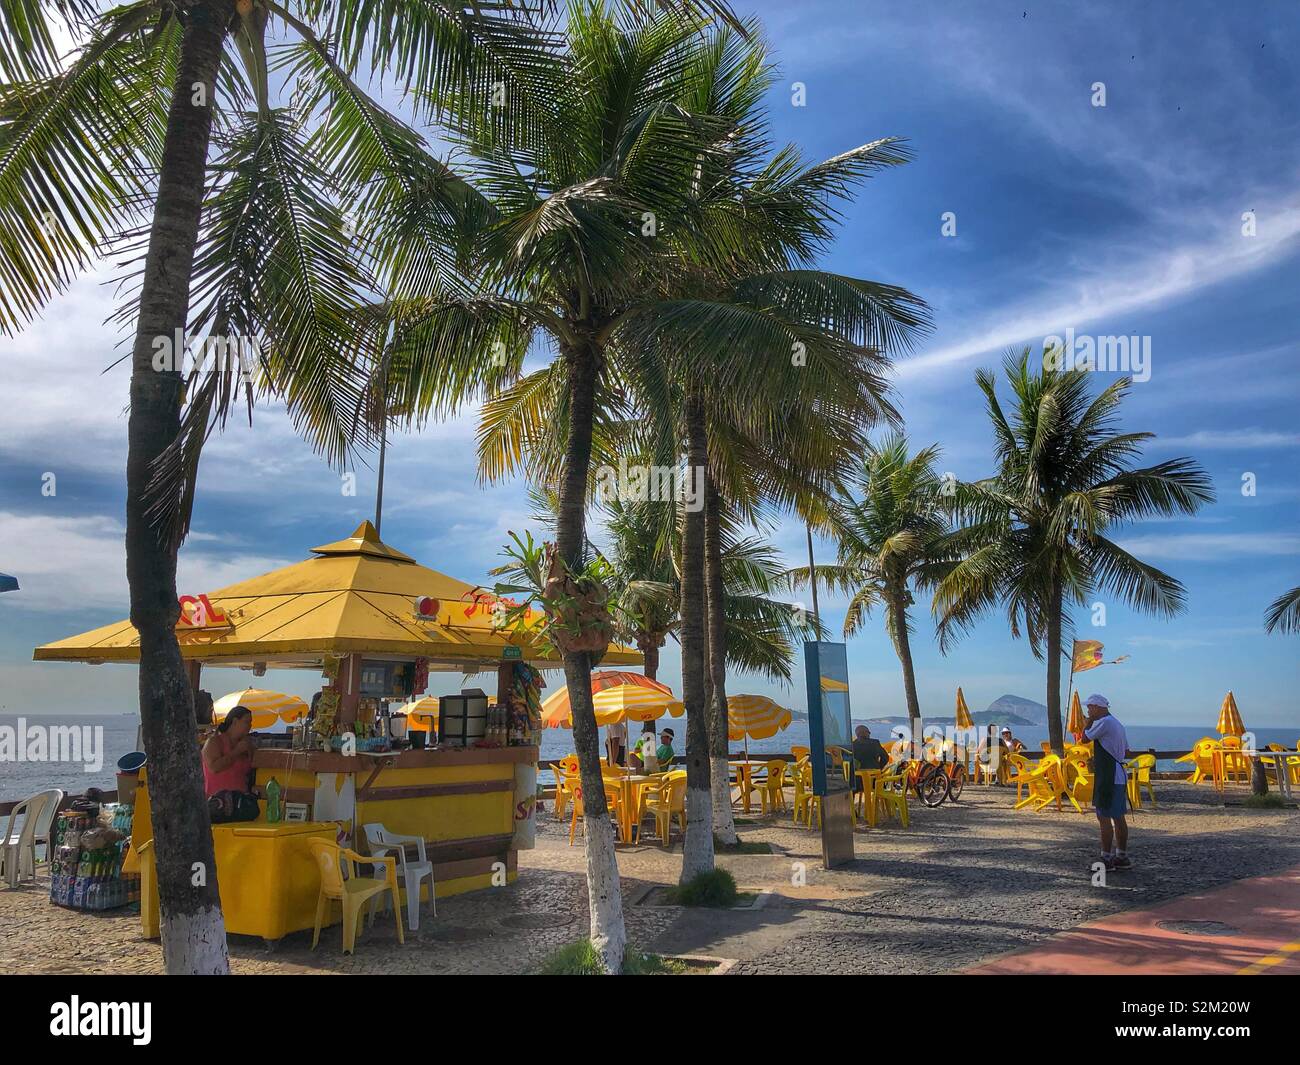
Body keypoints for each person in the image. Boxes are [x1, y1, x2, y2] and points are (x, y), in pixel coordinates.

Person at [1083, 693, 1130, 871]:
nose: (1088, 710)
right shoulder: (1118, 724)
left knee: (1103, 817)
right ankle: (1122, 856)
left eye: (1090, 707)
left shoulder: (1104, 722)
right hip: (1118, 774)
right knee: (1118, 817)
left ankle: (1106, 858)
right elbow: (1126, 750)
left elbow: (1085, 738)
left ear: (1098, 707)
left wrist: (1088, 722)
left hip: (1108, 777)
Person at [203, 705, 255, 798]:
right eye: (246, 722)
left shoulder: (245, 744)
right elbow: (214, 768)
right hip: (217, 802)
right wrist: (236, 752)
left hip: (240, 801)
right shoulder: (214, 742)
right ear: (235, 721)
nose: (250, 726)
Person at [851, 725, 888, 792]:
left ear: (857, 734)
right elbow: (885, 758)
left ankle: (851, 802)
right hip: (875, 781)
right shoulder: (875, 743)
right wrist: (879, 768)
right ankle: (878, 801)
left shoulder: (853, 745)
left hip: (858, 782)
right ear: (867, 733)